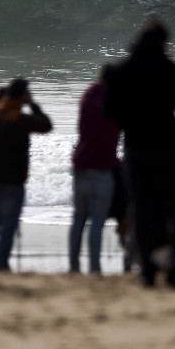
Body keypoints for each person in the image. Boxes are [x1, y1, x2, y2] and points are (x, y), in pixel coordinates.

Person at [104, 21, 175, 288]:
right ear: (164, 41)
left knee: (143, 209)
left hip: (135, 148)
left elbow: (109, 111)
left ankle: (147, 269)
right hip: (166, 148)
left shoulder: (120, 71)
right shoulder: (168, 67)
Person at [0, 78, 53, 272]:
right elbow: (47, 125)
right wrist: (33, 104)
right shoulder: (20, 119)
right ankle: (1, 264)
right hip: (13, 179)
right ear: (23, 96)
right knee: (8, 225)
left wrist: (3, 92)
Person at [70, 65, 121, 274]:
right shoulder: (115, 102)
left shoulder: (88, 96)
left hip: (81, 163)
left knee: (78, 219)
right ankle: (94, 267)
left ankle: (73, 266)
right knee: (97, 222)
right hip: (102, 167)